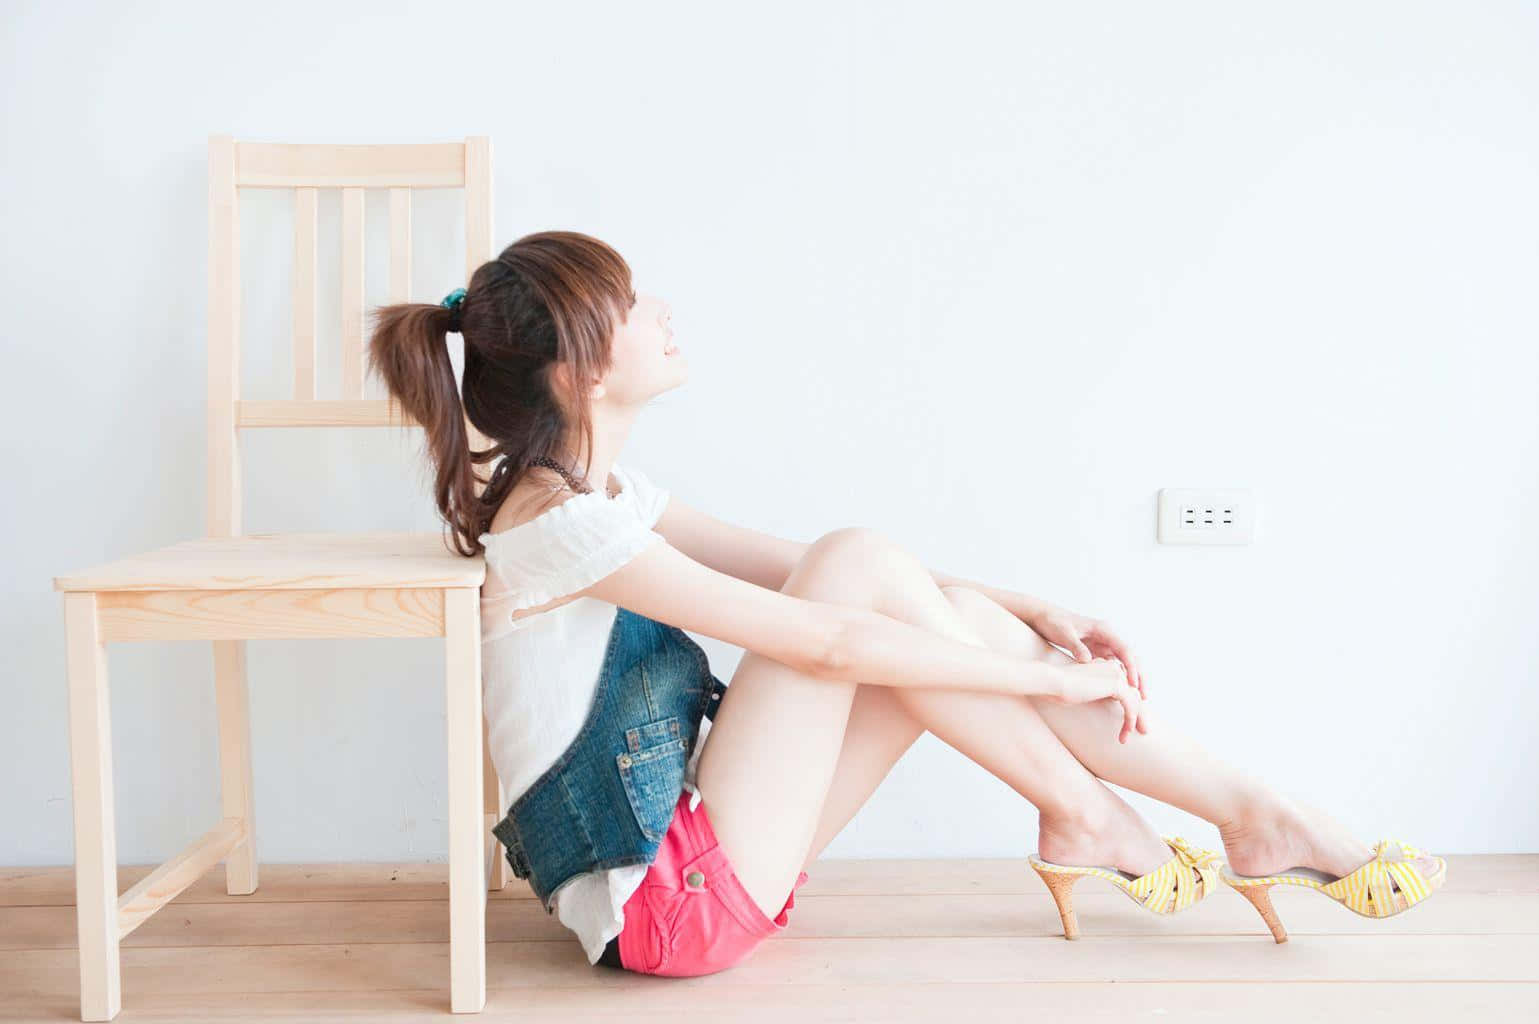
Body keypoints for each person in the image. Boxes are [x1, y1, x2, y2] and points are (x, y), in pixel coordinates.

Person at [366, 230, 1445, 975]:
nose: (661, 313)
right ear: (584, 369)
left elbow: (822, 577)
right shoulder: (566, 531)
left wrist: (1032, 609)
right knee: (863, 575)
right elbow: (829, 633)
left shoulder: (597, 497)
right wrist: (1045, 676)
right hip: (669, 912)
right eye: (634, 303)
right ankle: (1096, 812)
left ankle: (1245, 814)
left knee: (882, 576)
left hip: (704, 862)